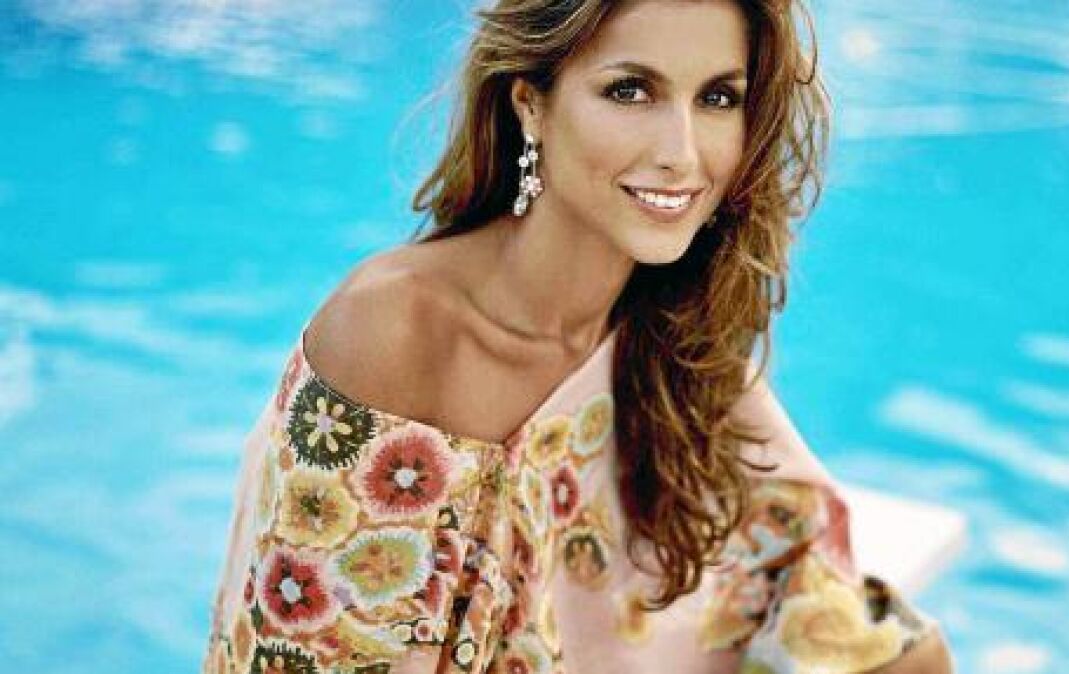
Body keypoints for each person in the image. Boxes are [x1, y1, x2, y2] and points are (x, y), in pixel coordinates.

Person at [202, 0, 955, 672]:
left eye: (717, 98)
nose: (683, 153)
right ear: (531, 103)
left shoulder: (670, 342)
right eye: (631, 91)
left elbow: (825, 595)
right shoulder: (394, 334)